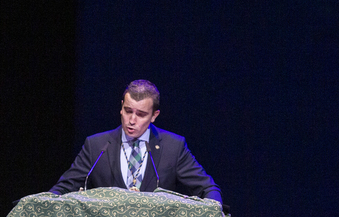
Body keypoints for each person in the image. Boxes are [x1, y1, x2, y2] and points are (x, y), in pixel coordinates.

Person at [50, 80, 222, 203]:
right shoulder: (96, 145)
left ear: (154, 116)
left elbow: (207, 188)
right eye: (128, 111)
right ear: (121, 107)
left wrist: (216, 210)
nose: (131, 120)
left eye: (140, 114)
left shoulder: (173, 147)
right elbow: (64, 187)